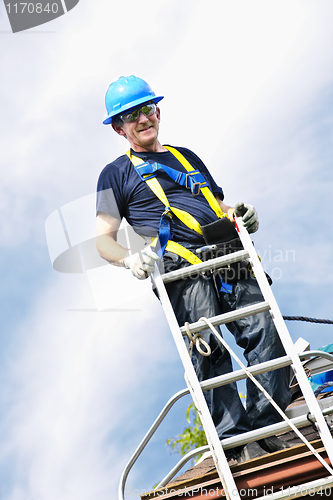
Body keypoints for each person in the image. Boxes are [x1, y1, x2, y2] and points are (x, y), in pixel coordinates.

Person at [96, 75, 292, 463]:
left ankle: (267, 428)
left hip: (228, 253)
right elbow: (103, 239)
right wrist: (129, 258)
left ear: (158, 111)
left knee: (265, 331)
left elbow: (219, 209)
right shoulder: (114, 174)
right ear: (119, 128)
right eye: (130, 116)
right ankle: (235, 444)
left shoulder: (186, 156)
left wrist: (240, 215)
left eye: (146, 109)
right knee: (206, 345)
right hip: (180, 264)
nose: (142, 119)